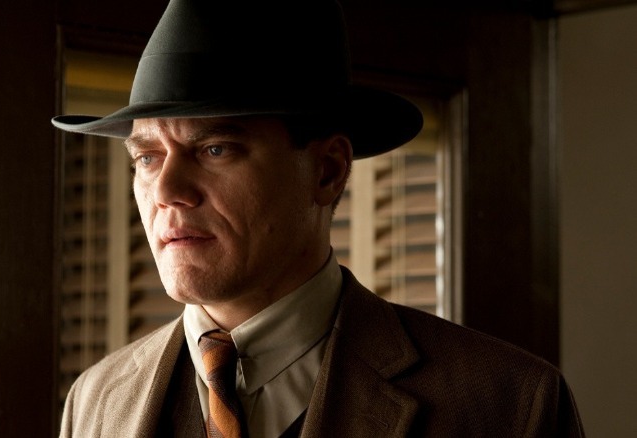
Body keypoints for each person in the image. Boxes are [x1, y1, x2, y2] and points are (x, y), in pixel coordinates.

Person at [51, 0, 585, 437]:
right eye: (147, 159)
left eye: (215, 149)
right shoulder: (94, 403)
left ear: (327, 171)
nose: (167, 192)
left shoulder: (507, 406)